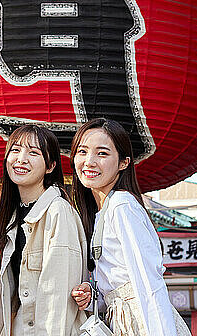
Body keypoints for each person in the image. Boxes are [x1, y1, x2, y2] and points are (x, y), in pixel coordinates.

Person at [69, 118, 190, 336]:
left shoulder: (122, 205)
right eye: (82, 151)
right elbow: (116, 283)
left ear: (123, 163)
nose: (89, 161)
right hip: (123, 320)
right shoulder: (101, 212)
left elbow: (148, 281)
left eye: (102, 153)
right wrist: (92, 295)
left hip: (142, 322)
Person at [0, 125, 88, 336]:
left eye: (33, 152)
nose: (21, 159)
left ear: (50, 166)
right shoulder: (15, 216)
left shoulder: (58, 211)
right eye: (15, 150)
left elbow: (59, 298)